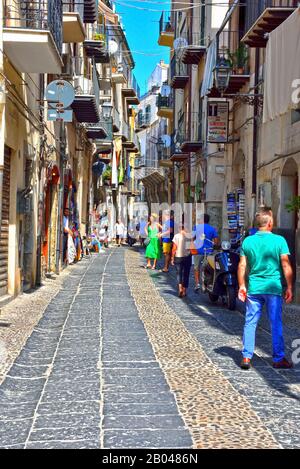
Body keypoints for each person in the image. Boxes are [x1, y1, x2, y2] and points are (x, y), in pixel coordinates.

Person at [238, 207, 293, 371]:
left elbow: (242, 265)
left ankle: (246, 356)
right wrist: (289, 286)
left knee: (250, 322)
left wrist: (242, 285)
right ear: (269, 223)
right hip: (273, 288)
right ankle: (278, 358)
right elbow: (285, 264)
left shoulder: (247, 241)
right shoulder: (279, 240)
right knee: (275, 322)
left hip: (254, 288)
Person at [193, 214, 219, 291]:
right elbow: (216, 242)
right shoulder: (212, 229)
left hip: (198, 251)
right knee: (207, 268)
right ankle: (206, 283)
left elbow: (192, 238)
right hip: (208, 251)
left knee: (196, 268)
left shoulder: (196, 227)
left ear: (202, 220)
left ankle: (197, 283)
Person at [171, 224, 192, 298]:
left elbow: (174, 248)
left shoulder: (176, 236)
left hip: (178, 256)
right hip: (187, 257)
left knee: (179, 273)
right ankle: (184, 290)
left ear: (179, 229)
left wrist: (172, 258)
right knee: (186, 274)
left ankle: (180, 288)